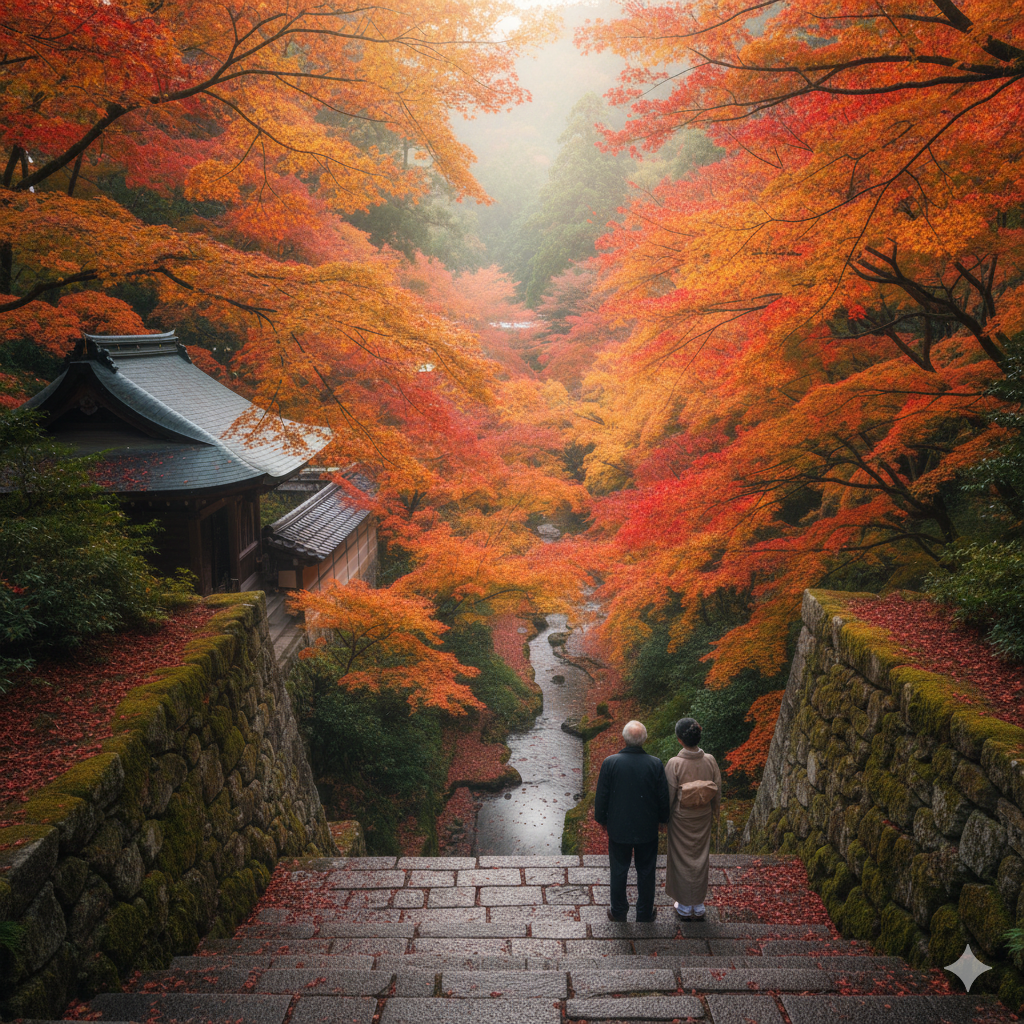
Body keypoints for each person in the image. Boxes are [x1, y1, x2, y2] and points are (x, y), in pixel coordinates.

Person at [594, 719, 670, 922]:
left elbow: (602, 795)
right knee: (646, 870)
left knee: (619, 870)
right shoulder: (655, 764)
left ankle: (618, 912)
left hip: (619, 826)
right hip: (647, 827)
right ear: (644, 739)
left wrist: (601, 819)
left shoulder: (610, 762)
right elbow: (662, 796)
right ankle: (644, 913)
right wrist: (663, 820)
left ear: (624, 738)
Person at [665, 717, 722, 920]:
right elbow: (717, 789)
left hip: (681, 819)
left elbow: (669, 796)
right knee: (700, 857)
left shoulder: (675, 763)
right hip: (703, 815)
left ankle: (684, 906)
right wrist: (715, 812)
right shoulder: (710, 760)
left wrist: (663, 820)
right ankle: (698, 905)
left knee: (681, 859)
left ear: (679, 739)